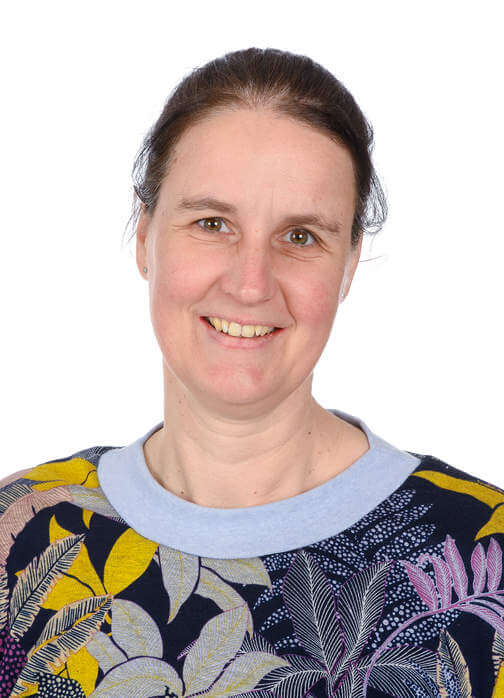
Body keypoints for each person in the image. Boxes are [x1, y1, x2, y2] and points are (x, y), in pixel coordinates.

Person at [0, 47, 502, 698]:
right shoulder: (20, 535)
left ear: (349, 263)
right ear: (145, 235)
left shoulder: (486, 553)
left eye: (301, 236)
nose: (250, 283)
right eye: (212, 223)